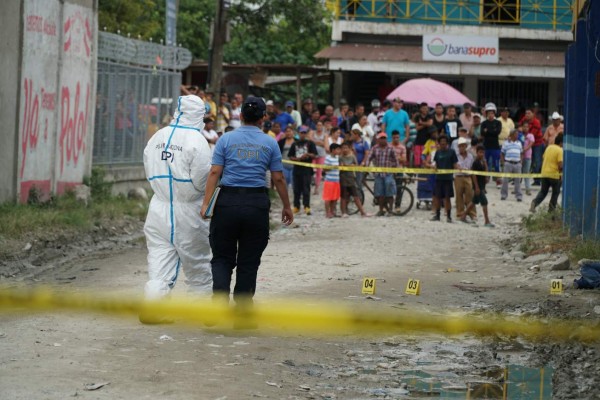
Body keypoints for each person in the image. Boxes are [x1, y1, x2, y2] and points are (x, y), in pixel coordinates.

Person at [201, 96, 293, 324]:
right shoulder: (270, 143)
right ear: (264, 118)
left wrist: (206, 203)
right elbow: (279, 178)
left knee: (222, 258)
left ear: (240, 115)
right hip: (256, 204)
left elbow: (214, 172)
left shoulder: (226, 140)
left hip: (227, 203)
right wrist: (287, 206)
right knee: (249, 260)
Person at [141, 95, 213, 324]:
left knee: (159, 260)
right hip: (188, 210)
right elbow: (203, 179)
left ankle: (152, 308)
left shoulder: (157, 136)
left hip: (158, 207)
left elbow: (147, 164)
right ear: (199, 114)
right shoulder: (197, 140)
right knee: (198, 262)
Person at [427, 135, 458, 223]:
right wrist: (434, 167)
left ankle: (448, 216)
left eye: (444, 142)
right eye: (441, 142)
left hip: (448, 178)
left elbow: (455, 164)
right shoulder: (438, 152)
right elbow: (436, 163)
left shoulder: (452, 152)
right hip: (439, 178)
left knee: (447, 198)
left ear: (447, 143)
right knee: (437, 197)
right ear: (439, 143)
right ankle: (437, 215)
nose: (443, 143)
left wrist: (459, 169)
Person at [368, 132, 399, 216]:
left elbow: (396, 160)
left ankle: (390, 210)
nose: (383, 140)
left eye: (384, 138)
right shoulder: (374, 148)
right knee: (379, 193)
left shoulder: (390, 148)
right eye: (381, 138)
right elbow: (369, 158)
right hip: (378, 174)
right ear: (378, 139)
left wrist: (395, 170)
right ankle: (381, 210)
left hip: (388, 173)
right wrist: (366, 167)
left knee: (389, 193)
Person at [530, 134, 563, 213]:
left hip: (544, 173)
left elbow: (543, 157)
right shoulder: (560, 150)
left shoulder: (549, 147)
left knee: (543, 191)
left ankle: (534, 203)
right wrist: (561, 174)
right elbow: (560, 165)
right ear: (561, 142)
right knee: (555, 193)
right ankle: (551, 211)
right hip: (554, 175)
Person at [289, 126, 318, 215]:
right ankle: (296, 206)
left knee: (306, 188)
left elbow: (315, 155)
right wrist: (298, 159)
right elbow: (290, 156)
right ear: (298, 133)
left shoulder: (310, 143)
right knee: (296, 189)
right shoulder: (294, 144)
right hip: (297, 169)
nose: (303, 134)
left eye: (304, 133)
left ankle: (307, 206)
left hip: (307, 170)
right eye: (301, 133)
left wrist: (307, 154)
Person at [463, 145, 494, 227]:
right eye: (480, 152)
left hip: (482, 185)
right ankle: (486, 221)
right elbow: (474, 175)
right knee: (484, 202)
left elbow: (485, 172)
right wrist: (476, 187)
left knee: (474, 201)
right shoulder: (475, 162)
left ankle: (463, 216)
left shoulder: (482, 162)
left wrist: (485, 164)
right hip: (478, 186)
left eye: (483, 152)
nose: (482, 154)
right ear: (477, 153)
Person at [339, 141, 370, 217]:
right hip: (343, 179)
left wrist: (348, 166)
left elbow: (355, 165)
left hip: (351, 178)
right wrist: (349, 166)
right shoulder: (340, 157)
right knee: (343, 197)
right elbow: (341, 167)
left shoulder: (352, 156)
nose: (345, 149)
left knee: (356, 196)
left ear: (349, 148)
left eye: (346, 148)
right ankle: (343, 212)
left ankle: (362, 212)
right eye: (343, 148)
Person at [480, 102, 502, 188]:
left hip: (495, 147)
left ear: (494, 113)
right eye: (489, 113)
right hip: (486, 147)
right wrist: (492, 131)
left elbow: (497, 132)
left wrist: (488, 131)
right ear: (486, 114)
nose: (490, 115)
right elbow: (482, 133)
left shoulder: (498, 123)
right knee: (485, 164)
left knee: (496, 165)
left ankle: (498, 181)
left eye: (492, 113)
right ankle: (484, 180)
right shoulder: (484, 123)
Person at [519, 109, 543, 185]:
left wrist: (522, 131)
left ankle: (537, 180)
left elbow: (531, 135)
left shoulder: (536, 122)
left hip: (537, 144)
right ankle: (518, 180)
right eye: (526, 113)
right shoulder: (524, 119)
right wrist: (520, 128)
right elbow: (519, 126)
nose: (527, 115)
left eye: (529, 113)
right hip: (525, 143)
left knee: (537, 162)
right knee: (521, 162)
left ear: (533, 114)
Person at [454, 137, 475, 221]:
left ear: (466, 146)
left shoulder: (470, 156)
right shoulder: (456, 156)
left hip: (468, 176)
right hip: (458, 176)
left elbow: (472, 167)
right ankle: (460, 213)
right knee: (459, 196)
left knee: (470, 195)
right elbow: (454, 164)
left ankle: (472, 213)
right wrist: (457, 166)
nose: (461, 148)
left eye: (463, 146)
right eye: (460, 146)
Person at [500, 129, 523, 202]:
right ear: (512, 135)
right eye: (516, 134)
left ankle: (518, 196)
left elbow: (521, 153)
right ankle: (503, 195)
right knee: (505, 180)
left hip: (517, 163)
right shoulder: (506, 143)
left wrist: (521, 162)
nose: (517, 135)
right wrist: (503, 162)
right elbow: (502, 153)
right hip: (508, 162)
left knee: (517, 181)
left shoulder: (519, 143)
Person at [323, 143, 342, 218]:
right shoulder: (328, 158)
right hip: (329, 181)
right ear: (333, 150)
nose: (339, 151)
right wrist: (332, 167)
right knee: (328, 198)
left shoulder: (338, 158)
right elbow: (325, 169)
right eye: (338, 149)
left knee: (335, 198)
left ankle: (333, 211)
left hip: (337, 180)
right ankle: (327, 213)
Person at [310, 123, 327, 195]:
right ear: (316, 126)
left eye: (320, 125)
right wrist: (320, 142)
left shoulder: (325, 134)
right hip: (313, 154)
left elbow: (325, 145)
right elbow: (310, 141)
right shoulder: (312, 132)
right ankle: (310, 185)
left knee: (319, 172)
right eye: (318, 125)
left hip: (321, 155)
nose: (319, 126)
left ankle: (316, 188)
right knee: (312, 170)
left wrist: (315, 142)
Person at [521, 122, 535, 196]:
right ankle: (517, 189)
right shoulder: (520, 135)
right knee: (519, 174)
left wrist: (524, 149)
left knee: (526, 173)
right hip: (520, 157)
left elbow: (531, 144)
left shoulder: (531, 135)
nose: (525, 128)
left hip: (527, 156)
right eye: (524, 126)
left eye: (527, 127)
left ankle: (528, 189)